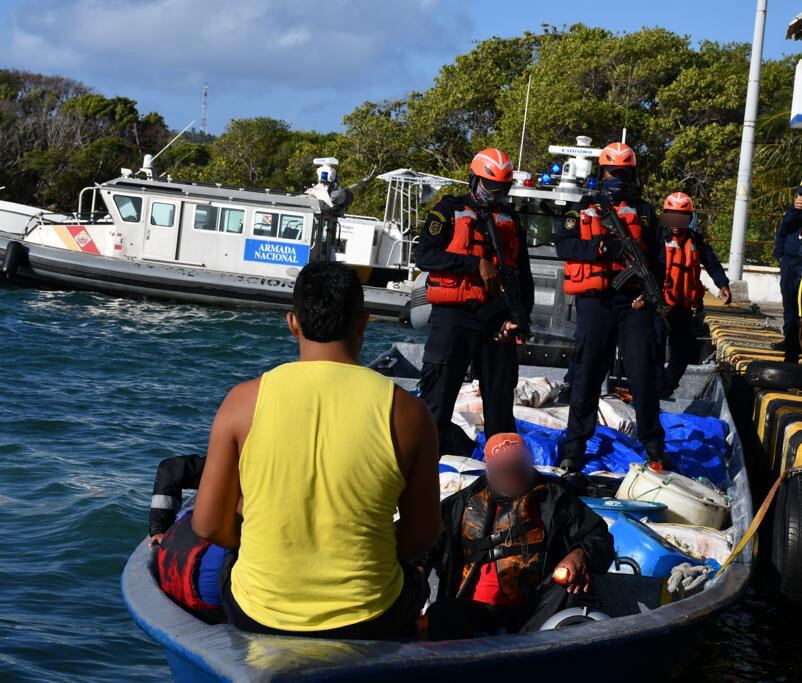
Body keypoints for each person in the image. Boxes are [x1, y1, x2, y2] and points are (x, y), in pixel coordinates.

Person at [192, 261, 441, 640]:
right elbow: (423, 534)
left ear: (293, 322)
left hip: (258, 612)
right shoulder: (409, 413)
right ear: (363, 322)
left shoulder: (241, 402)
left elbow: (207, 524)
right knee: (417, 581)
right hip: (367, 616)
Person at [421, 433, 614, 639]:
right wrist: (418, 571)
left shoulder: (557, 498)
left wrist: (580, 554)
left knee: (566, 588)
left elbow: (598, 536)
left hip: (534, 611)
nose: (513, 475)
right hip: (474, 610)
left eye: (519, 467)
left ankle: (533, 652)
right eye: (505, 470)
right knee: (440, 613)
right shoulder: (458, 505)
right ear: (489, 469)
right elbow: (420, 543)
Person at [555, 141, 667, 472]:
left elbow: (658, 262)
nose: (617, 177)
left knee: (643, 375)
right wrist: (601, 248)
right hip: (595, 302)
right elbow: (564, 244)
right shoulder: (583, 207)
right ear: (602, 172)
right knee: (587, 374)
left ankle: (653, 446)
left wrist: (649, 295)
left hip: (634, 303)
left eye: (623, 172)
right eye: (612, 171)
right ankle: (574, 446)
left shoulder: (645, 213)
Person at [416, 148, 535, 455]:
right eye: (490, 187)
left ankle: (501, 471)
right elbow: (425, 255)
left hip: (497, 321)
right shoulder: (448, 210)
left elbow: (523, 275)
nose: (495, 195)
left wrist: (519, 319)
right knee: (437, 402)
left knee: (499, 407)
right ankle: (423, 468)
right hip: (454, 317)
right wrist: (474, 264)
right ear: (474, 180)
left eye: (502, 190)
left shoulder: (512, 220)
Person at [656, 192, 731, 397]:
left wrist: (722, 284)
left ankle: (666, 386)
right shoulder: (655, 237)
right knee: (653, 347)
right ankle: (653, 386)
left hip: (683, 306)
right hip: (657, 304)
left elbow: (712, 262)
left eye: (681, 217)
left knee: (683, 351)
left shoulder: (695, 240)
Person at [147, 454, 228, 623]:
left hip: (175, 573)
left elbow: (170, 468)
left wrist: (159, 529)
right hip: (212, 593)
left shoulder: (230, 462)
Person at [772, 186, 802, 362]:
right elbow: (783, 231)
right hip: (790, 263)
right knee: (789, 306)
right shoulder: (792, 215)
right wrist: (780, 256)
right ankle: (790, 346)